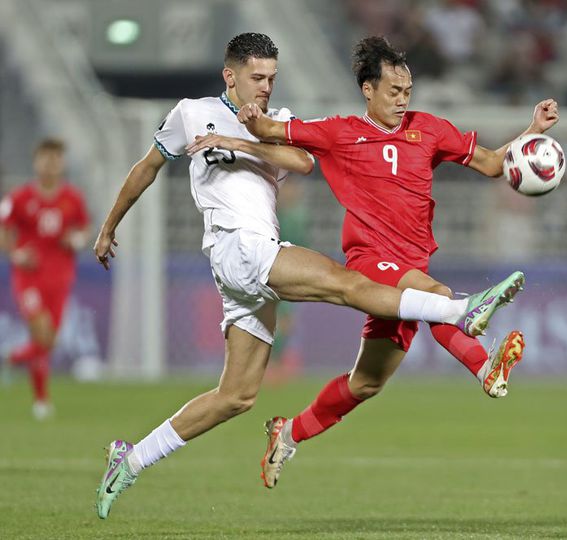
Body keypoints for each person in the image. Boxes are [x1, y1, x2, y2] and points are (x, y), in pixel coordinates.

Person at [93, 33, 523, 520]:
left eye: (272, 78)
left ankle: (129, 459)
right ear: (229, 75)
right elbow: (147, 166)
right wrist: (108, 227)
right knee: (349, 285)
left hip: (251, 264)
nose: (266, 87)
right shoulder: (189, 113)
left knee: (237, 396)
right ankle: (462, 311)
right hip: (239, 246)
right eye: (257, 77)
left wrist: (244, 137)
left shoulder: (277, 122)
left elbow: (302, 160)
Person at [187, 36, 560, 489]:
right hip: (369, 262)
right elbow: (273, 133)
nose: (403, 101)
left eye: (407, 91)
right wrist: (251, 118)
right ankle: (486, 368)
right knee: (438, 296)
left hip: (412, 260)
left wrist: (532, 132)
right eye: (393, 92)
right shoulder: (340, 131)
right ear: (368, 89)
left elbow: (492, 164)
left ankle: (288, 433)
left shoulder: (432, 129)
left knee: (366, 383)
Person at [0, 138, 90, 420]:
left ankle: (11, 360)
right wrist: (15, 254)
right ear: (36, 161)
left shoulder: (72, 199)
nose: (50, 164)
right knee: (42, 333)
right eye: (45, 158)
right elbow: (4, 231)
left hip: (60, 278)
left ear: (62, 163)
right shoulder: (19, 198)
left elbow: (84, 230)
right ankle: (41, 399)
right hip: (29, 278)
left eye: (55, 158)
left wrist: (76, 240)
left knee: (48, 342)